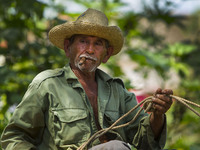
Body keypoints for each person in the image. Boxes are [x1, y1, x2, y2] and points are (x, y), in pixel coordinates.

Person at [0, 8, 173, 150]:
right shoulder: (48, 84)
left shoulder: (117, 91)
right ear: (68, 48)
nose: (90, 50)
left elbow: (146, 144)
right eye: (83, 41)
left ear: (106, 54)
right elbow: (14, 137)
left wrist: (157, 116)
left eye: (98, 44)